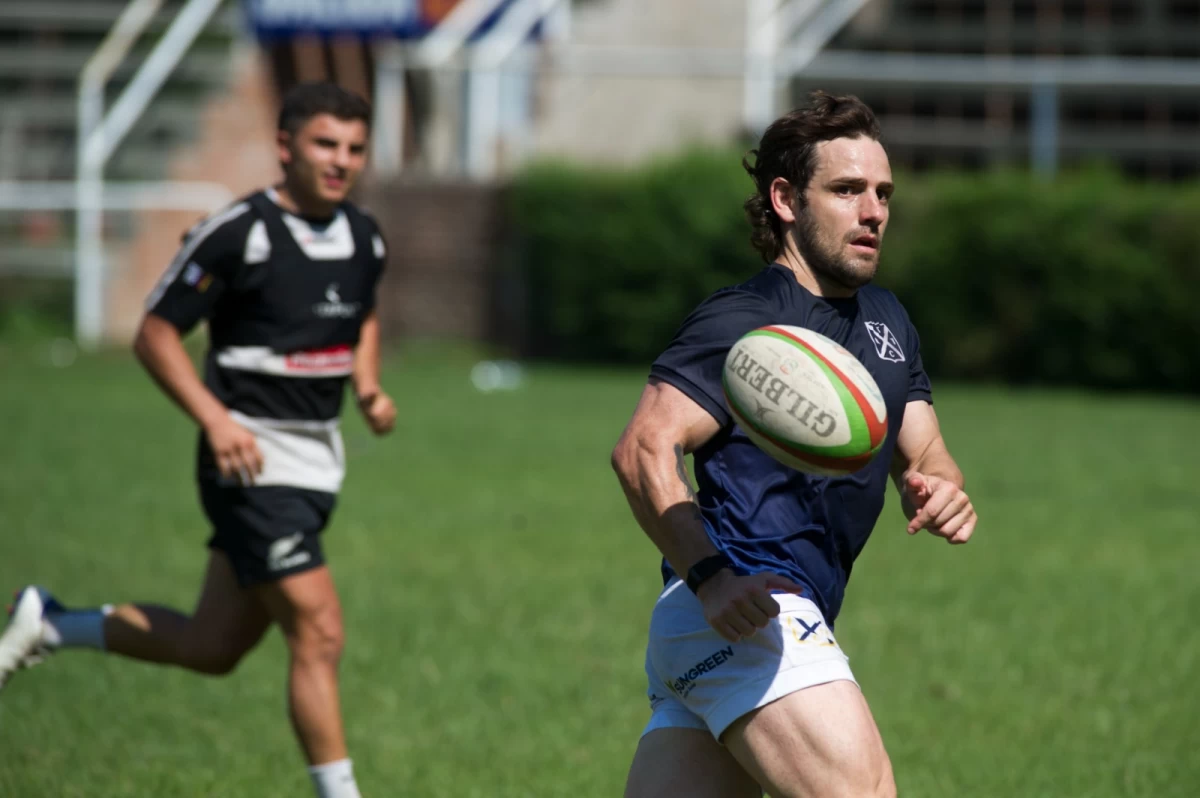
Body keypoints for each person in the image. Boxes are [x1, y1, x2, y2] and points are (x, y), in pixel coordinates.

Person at [0, 81, 395, 798]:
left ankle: (52, 625)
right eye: (325, 144)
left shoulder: (364, 235)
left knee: (212, 646)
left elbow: (361, 313)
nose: (341, 161)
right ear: (286, 148)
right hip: (246, 460)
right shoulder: (237, 231)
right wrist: (216, 420)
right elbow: (154, 334)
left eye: (355, 149)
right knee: (320, 631)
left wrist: (366, 385)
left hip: (315, 464)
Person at [611, 91, 978, 798]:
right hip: (746, 610)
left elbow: (924, 452)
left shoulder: (887, 321)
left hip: (722, 626)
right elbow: (643, 449)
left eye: (883, 193)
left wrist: (942, 489)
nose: (874, 212)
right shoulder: (746, 323)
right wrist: (711, 577)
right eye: (847, 191)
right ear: (785, 199)